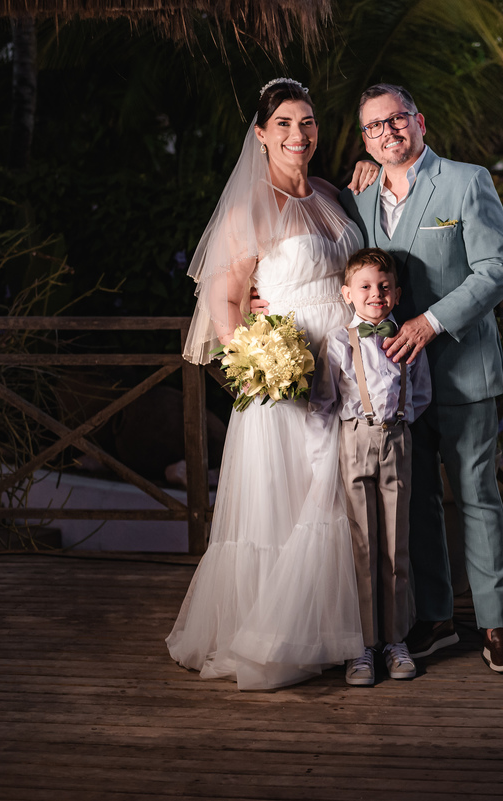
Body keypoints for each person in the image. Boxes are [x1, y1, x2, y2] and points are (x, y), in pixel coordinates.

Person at [167, 78, 377, 690]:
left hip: (346, 367)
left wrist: (366, 168)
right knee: (294, 503)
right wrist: (264, 367)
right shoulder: (248, 207)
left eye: (307, 123)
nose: (298, 134)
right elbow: (226, 306)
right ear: (261, 134)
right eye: (284, 123)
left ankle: (337, 631)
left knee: (338, 497)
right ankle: (277, 633)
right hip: (287, 375)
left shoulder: (333, 196)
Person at [338, 83, 503, 674]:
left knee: (478, 497)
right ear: (364, 138)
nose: (387, 132)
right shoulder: (359, 199)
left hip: (464, 368)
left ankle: (497, 626)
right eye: (374, 127)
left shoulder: (466, 182)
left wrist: (431, 322)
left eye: (396, 120)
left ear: (419, 121)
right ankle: (438, 618)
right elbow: (348, 272)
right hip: (391, 382)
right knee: (414, 503)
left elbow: (501, 268)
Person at [308, 248, 432, 686]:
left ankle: (396, 639)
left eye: (384, 287)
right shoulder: (339, 342)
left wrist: (398, 421)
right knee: (361, 543)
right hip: (353, 440)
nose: (375, 294)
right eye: (365, 287)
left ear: (396, 295)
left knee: (396, 543)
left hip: (396, 439)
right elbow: (323, 401)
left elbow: (421, 394)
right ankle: (360, 645)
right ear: (347, 294)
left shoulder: (408, 339)